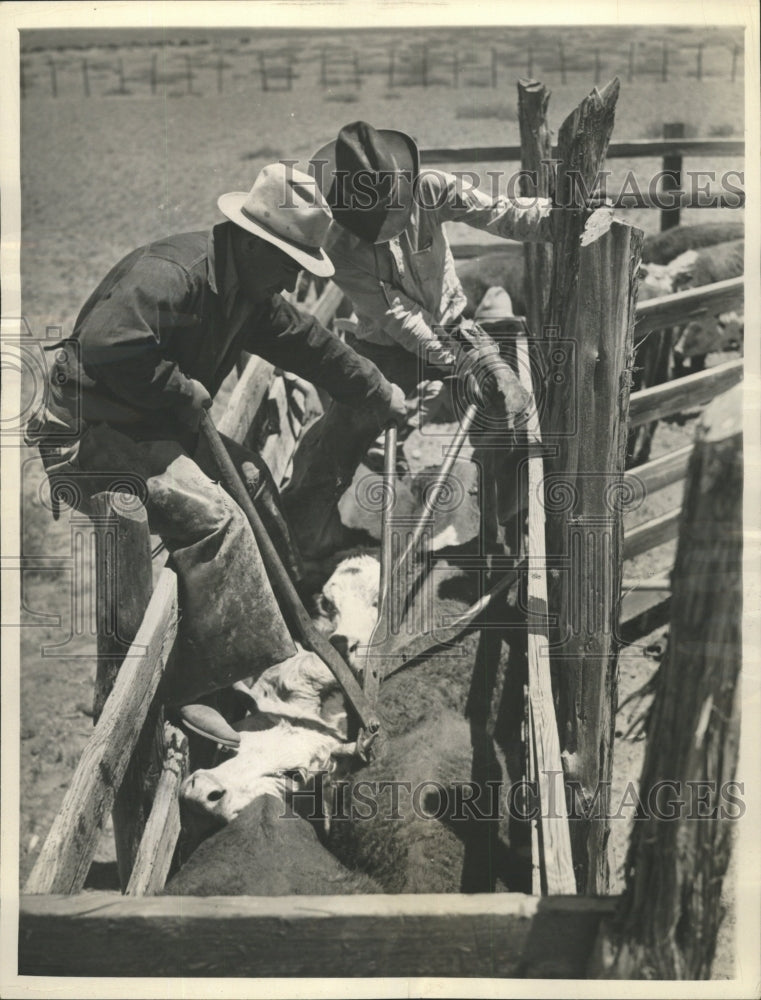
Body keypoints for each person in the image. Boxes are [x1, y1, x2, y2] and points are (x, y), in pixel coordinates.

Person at [25, 162, 406, 729]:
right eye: (288, 264)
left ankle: (274, 634)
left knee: (250, 479)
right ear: (254, 243)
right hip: (88, 438)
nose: (289, 280)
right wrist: (178, 388)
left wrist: (378, 390)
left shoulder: (245, 290)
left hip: (151, 428)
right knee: (213, 517)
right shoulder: (173, 275)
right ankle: (192, 685)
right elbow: (107, 344)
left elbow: (310, 345)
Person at [283, 120, 559, 559]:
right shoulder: (339, 244)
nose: (388, 225)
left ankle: (494, 523)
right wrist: (462, 364)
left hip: (455, 326)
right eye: (373, 219)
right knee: (335, 441)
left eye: (393, 210)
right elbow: (402, 319)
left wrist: (560, 218)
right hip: (383, 346)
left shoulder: (431, 188)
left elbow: (501, 212)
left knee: (510, 407)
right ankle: (307, 543)